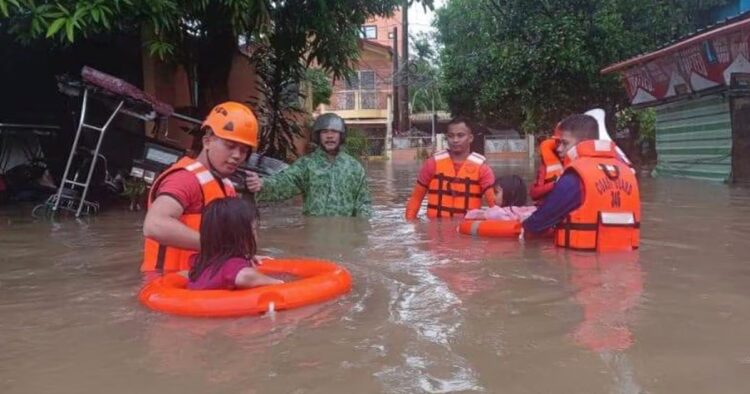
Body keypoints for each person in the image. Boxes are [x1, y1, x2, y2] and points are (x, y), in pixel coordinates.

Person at [142, 102, 263, 273]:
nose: (237, 156)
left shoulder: (226, 184)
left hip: (201, 281)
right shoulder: (184, 179)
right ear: (207, 141)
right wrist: (219, 247)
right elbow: (154, 225)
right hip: (168, 285)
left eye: (243, 150)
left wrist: (242, 255)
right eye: (230, 146)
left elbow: (240, 236)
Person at [522, 114, 640, 252]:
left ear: (583, 143)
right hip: (624, 263)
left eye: (565, 143)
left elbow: (537, 224)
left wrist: (522, 227)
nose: (559, 149)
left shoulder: (575, 178)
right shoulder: (627, 173)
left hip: (582, 265)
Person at [253, 113, 372, 218]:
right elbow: (284, 182)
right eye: (325, 132)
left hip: (344, 236)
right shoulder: (306, 165)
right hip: (314, 235)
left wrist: (359, 234)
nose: (329, 136)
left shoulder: (354, 168)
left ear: (341, 135)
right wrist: (262, 184)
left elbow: (363, 204)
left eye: (334, 131)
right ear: (318, 136)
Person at [405, 117, 496, 219]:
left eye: (460, 135)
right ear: (446, 138)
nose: (455, 140)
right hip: (435, 230)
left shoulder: (483, 170)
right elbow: (416, 199)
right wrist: (411, 223)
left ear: (470, 138)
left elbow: (494, 205)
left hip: (466, 229)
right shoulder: (431, 164)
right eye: (451, 136)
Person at [188, 197, 282, 290]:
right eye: (254, 229)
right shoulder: (232, 265)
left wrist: (247, 257)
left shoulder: (200, 261)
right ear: (239, 236)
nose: (256, 233)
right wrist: (275, 282)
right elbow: (244, 277)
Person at [465, 175, 536, 221]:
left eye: (496, 192)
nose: (493, 196)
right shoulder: (526, 210)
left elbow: (470, 215)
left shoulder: (499, 212)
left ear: (509, 194)